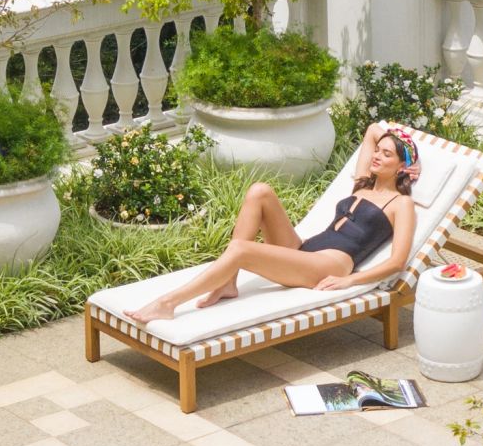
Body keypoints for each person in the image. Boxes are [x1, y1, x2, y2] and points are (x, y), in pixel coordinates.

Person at [125, 121, 420, 324]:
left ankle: (168, 304)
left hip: (330, 264)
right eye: (377, 151)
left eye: (387, 154)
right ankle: (228, 281)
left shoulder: (401, 204)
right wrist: (397, 143)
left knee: (241, 249)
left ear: (402, 165)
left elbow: (397, 262)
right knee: (259, 191)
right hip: (305, 249)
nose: (377, 156)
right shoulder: (363, 184)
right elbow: (371, 131)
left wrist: (349, 280)